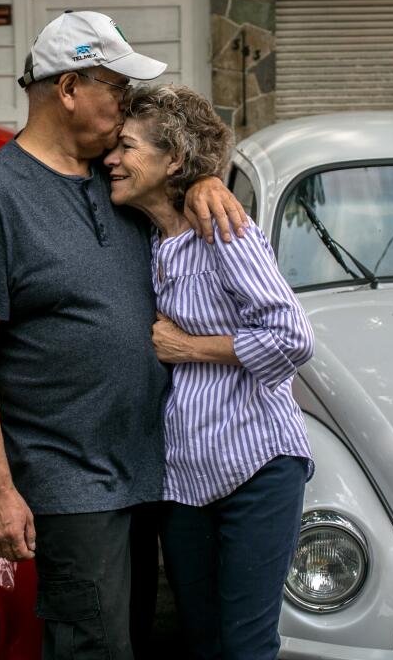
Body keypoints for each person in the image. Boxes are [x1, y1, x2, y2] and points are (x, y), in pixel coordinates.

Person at [0, 11, 246, 660]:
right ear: (70, 88)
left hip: (156, 469)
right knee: (94, 647)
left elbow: (180, 167)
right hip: (71, 476)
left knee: (147, 638)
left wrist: (206, 180)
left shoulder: (118, 176)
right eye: (118, 89)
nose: (128, 105)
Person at [103, 84, 314, 660]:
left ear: (172, 160)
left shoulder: (223, 230)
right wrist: (203, 178)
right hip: (184, 478)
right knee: (200, 641)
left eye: (126, 147)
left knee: (245, 646)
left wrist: (189, 348)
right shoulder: (143, 239)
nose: (111, 159)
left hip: (256, 464)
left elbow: (292, 338)